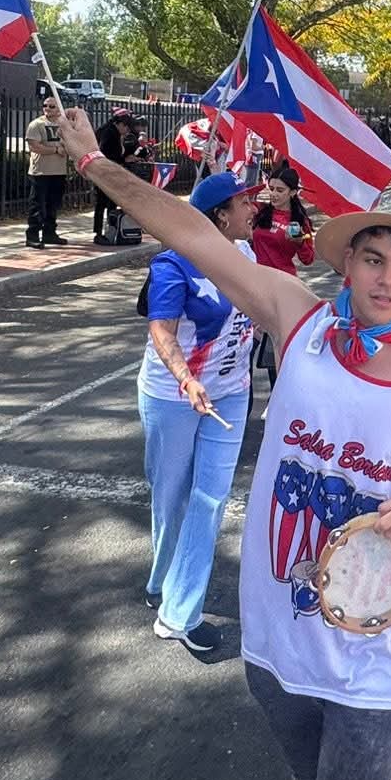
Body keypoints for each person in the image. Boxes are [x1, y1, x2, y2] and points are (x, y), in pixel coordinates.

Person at [51, 110, 391, 780]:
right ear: (348, 264)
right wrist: (96, 166)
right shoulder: (300, 319)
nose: (388, 278)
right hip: (277, 628)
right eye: (373, 258)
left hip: (377, 641)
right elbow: (192, 233)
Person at [138, 170, 262, 654]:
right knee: (170, 498)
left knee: (208, 500)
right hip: (173, 397)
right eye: (243, 202)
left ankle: (179, 610)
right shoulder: (174, 264)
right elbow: (162, 332)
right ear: (219, 216)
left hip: (229, 394)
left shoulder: (246, 255)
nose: (253, 208)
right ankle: (161, 580)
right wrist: (187, 379)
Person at [24, 96, 72, 248]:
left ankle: (49, 233)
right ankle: (32, 235)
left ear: (59, 108)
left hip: (58, 171)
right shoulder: (36, 124)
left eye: (52, 106)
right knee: (37, 205)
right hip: (40, 172)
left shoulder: (63, 125)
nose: (47, 108)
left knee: (53, 204)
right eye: (45, 105)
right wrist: (56, 150)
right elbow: (34, 146)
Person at [251, 166, 317, 275]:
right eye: (271, 189)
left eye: (280, 190)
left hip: (282, 279)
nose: (274, 194)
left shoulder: (298, 221)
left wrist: (300, 242)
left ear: (293, 192)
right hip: (257, 276)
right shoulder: (260, 210)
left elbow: (308, 259)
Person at [93, 111, 140, 243]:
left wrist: (125, 158)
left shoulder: (113, 132)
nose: (126, 132)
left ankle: (111, 229)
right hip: (104, 172)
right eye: (126, 128)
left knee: (111, 202)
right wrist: (124, 160)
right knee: (101, 203)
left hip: (110, 172)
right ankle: (98, 232)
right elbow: (106, 154)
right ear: (120, 124)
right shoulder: (109, 133)